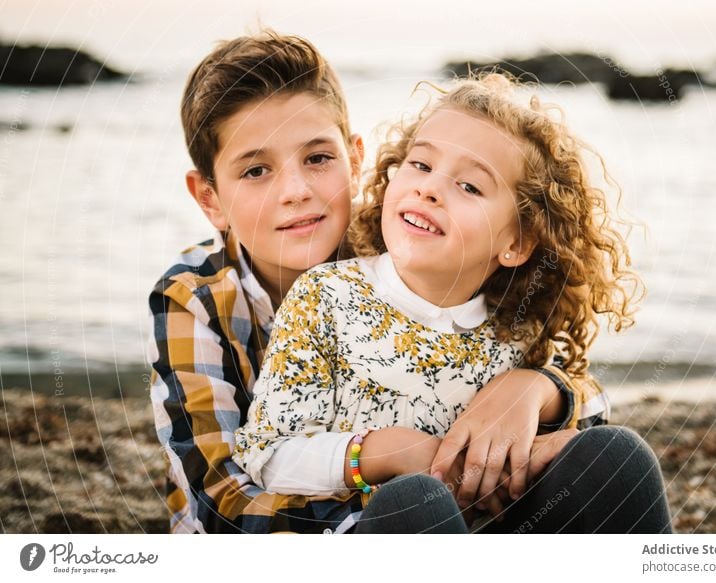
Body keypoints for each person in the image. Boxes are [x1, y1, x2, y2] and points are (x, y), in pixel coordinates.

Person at [147, 30, 590, 534]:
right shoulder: (195, 298)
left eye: (317, 159)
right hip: (289, 535)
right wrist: (386, 487)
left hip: (442, 519)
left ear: (355, 160)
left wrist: (529, 388)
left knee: (613, 458)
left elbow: (580, 388)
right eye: (255, 171)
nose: (295, 191)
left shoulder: (413, 247)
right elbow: (221, 498)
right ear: (209, 198)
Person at [233, 73, 673, 533]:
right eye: (420, 165)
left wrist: (533, 391)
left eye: (470, 187)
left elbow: (591, 406)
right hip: (374, 536)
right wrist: (394, 453)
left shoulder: (514, 327)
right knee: (417, 502)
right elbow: (268, 454)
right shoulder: (326, 297)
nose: (429, 189)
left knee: (617, 456)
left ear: (517, 243)